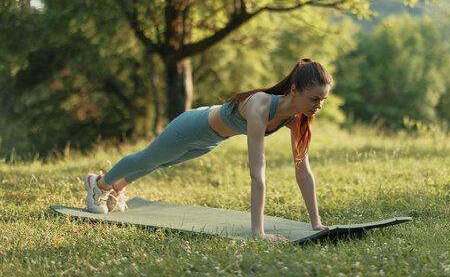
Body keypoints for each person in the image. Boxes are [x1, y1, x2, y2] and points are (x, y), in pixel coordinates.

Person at [85, 58, 332, 242]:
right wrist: (259, 233)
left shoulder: (299, 118)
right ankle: (100, 184)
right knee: (148, 158)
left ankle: (118, 186)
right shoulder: (259, 106)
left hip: (212, 139)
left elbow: (304, 172)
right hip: (192, 126)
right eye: (314, 99)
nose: (318, 106)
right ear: (294, 91)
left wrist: (316, 223)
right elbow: (257, 173)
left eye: (322, 100)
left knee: (161, 163)